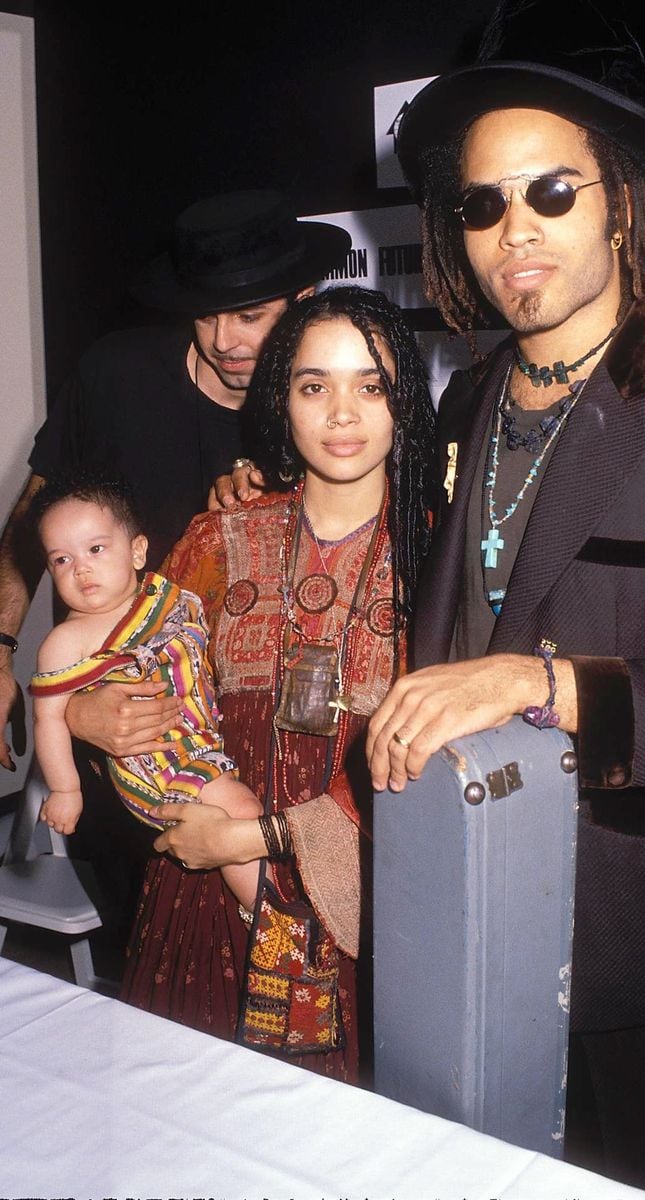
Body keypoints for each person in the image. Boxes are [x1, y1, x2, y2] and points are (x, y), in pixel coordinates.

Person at [362, 1, 645, 1197]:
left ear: (620, 199)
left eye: (551, 193)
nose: (515, 232)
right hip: (456, 916)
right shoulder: (464, 408)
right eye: (482, 204)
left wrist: (548, 685)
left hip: (629, 962)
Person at [0, 190, 350, 944]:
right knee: (159, 967)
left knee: (286, 965)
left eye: (251, 314)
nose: (225, 339)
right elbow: (35, 520)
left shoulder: (324, 411)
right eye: (206, 313)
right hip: (119, 773)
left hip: (256, 754)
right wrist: (6, 654)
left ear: (303, 300)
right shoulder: (115, 375)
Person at [118, 285, 437, 1083]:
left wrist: (255, 842)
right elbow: (140, 681)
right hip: (201, 884)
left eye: (371, 385)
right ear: (280, 399)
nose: (341, 414)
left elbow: (438, 763)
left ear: (404, 403)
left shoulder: (440, 555)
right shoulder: (223, 534)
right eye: (313, 385)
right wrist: (90, 713)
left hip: (357, 909)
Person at [26, 470, 262, 912]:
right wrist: (65, 790)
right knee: (240, 812)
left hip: (204, 734)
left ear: (137, 551)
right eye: (61, 559)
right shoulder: (68, 640)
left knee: (249, 811)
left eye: (96, 549)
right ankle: (269, 920)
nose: (81, 568)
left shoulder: (160, 594)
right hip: (160, 761)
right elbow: (49, 719)